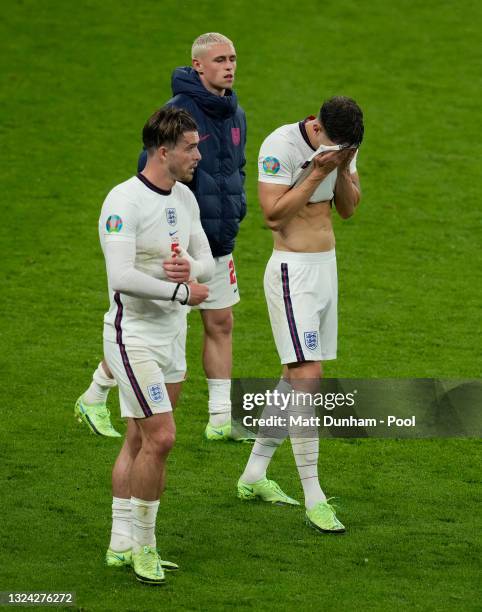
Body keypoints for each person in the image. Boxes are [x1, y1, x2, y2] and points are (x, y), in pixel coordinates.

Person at [75, 32, 247, 441]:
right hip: (178, 242)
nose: (230, 66)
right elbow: (153, 178)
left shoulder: (235, 112)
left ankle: (221, 417)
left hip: (216, 238)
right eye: (220, 59)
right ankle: (96, 394)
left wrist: (235, 209)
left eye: (233, 58)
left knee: (221, 320)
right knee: (147, 327)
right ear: (198, 65)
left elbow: (236, 167)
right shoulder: (177, 116)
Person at [236, 96, 364, 533]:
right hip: (292, 274)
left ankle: (254, 474)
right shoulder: (281, 146)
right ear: (318, 126)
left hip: (327, 269)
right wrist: (318, 172)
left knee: (293, 378)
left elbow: (347, 209)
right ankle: (314, 495)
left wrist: (343, 168)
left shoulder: (345, 144)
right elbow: (272, 215)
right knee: (308, 374)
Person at [97, 106, 214, 585]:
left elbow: (205, 258)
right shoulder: (122, 202)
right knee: (162, 437)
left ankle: (119, 540)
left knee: (140, 438)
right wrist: (182, 291)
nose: (198, 156)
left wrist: (190, 269)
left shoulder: (184, 198)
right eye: (190, 147)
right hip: (132, 338)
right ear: (163, 152)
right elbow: (120, 276)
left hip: (172, 337)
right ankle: (145, 545)